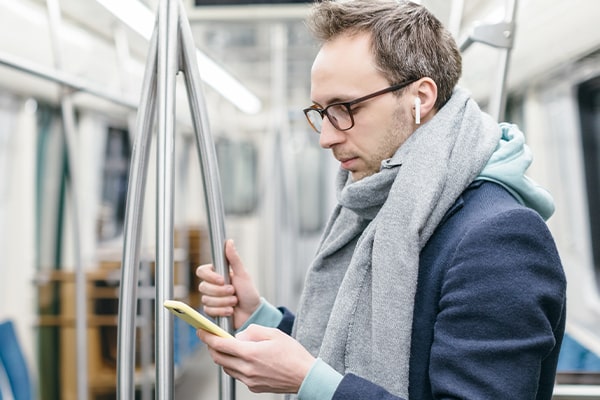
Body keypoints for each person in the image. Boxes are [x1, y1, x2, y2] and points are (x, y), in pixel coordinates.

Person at [195, 1, 566, 399]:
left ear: (420, 99)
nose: (326, 136)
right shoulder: (384, 204)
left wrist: (308, 383)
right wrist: (259, 316)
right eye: (321, 112)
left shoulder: (499, 238)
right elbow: (352, 349)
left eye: (344, 108)